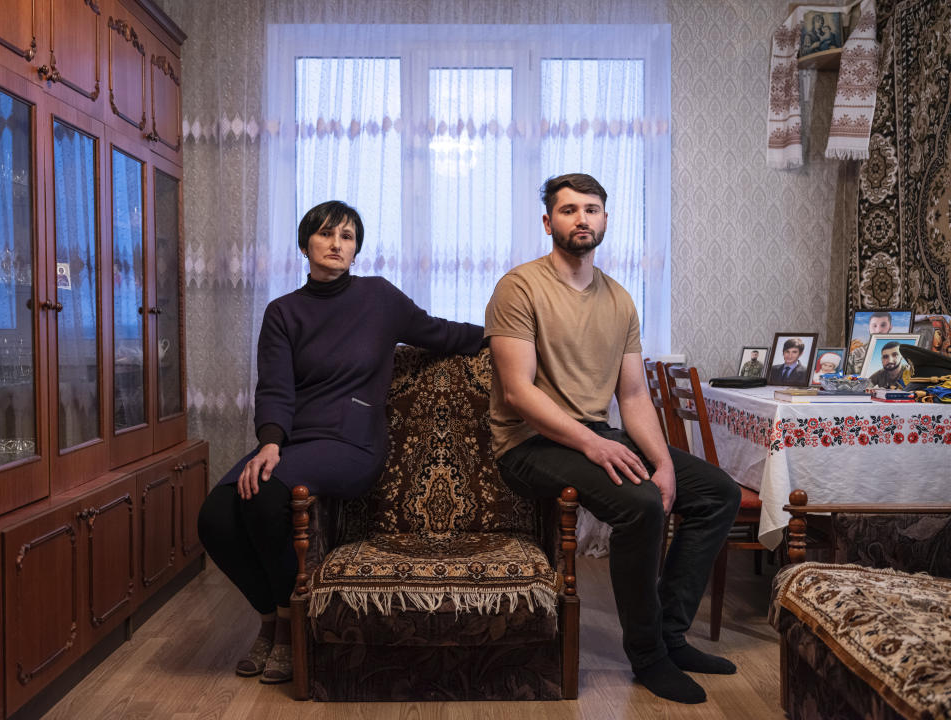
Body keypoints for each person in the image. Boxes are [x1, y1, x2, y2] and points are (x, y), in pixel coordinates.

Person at [197, 201, 483, 684]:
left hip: (353, 443)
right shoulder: (283, 312)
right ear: (306, 242)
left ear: (356, 250)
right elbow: (274, 388)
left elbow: (442, 333)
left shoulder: (380, 299)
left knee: (266, 496)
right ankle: (271, 618)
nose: (337, 243)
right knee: (216, 518)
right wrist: (269, 443)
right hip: (292, 441)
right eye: (327, 234)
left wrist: (511, 336)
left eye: (347, 237)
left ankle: (290, 631)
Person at [485, 173, 740, 705]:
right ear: (548, 221)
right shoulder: (519, 286)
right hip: (529, 445)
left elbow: (635, 395)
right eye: (570, 209)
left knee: (718, 492)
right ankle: (647, 658)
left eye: (593, 209)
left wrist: (661, 459)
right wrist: (595, 445)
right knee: (640, 503)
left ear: (605, 219)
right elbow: (517, 394)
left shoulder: (620, 299)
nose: (582, 219)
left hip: (595, 433)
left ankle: (671, 637)